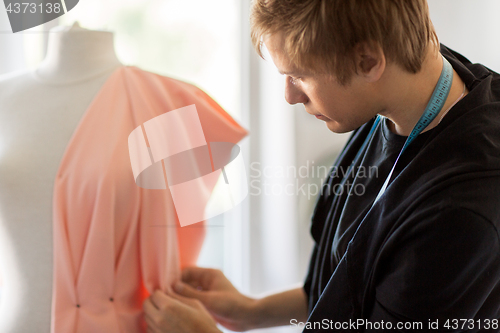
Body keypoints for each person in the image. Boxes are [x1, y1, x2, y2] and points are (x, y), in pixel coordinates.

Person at [143, 0, 500, 332]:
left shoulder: (457, 214)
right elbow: (354, 293)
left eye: (299, 76)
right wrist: (251, 311)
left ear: (369, 62)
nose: (290, 96)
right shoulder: (409, 90)